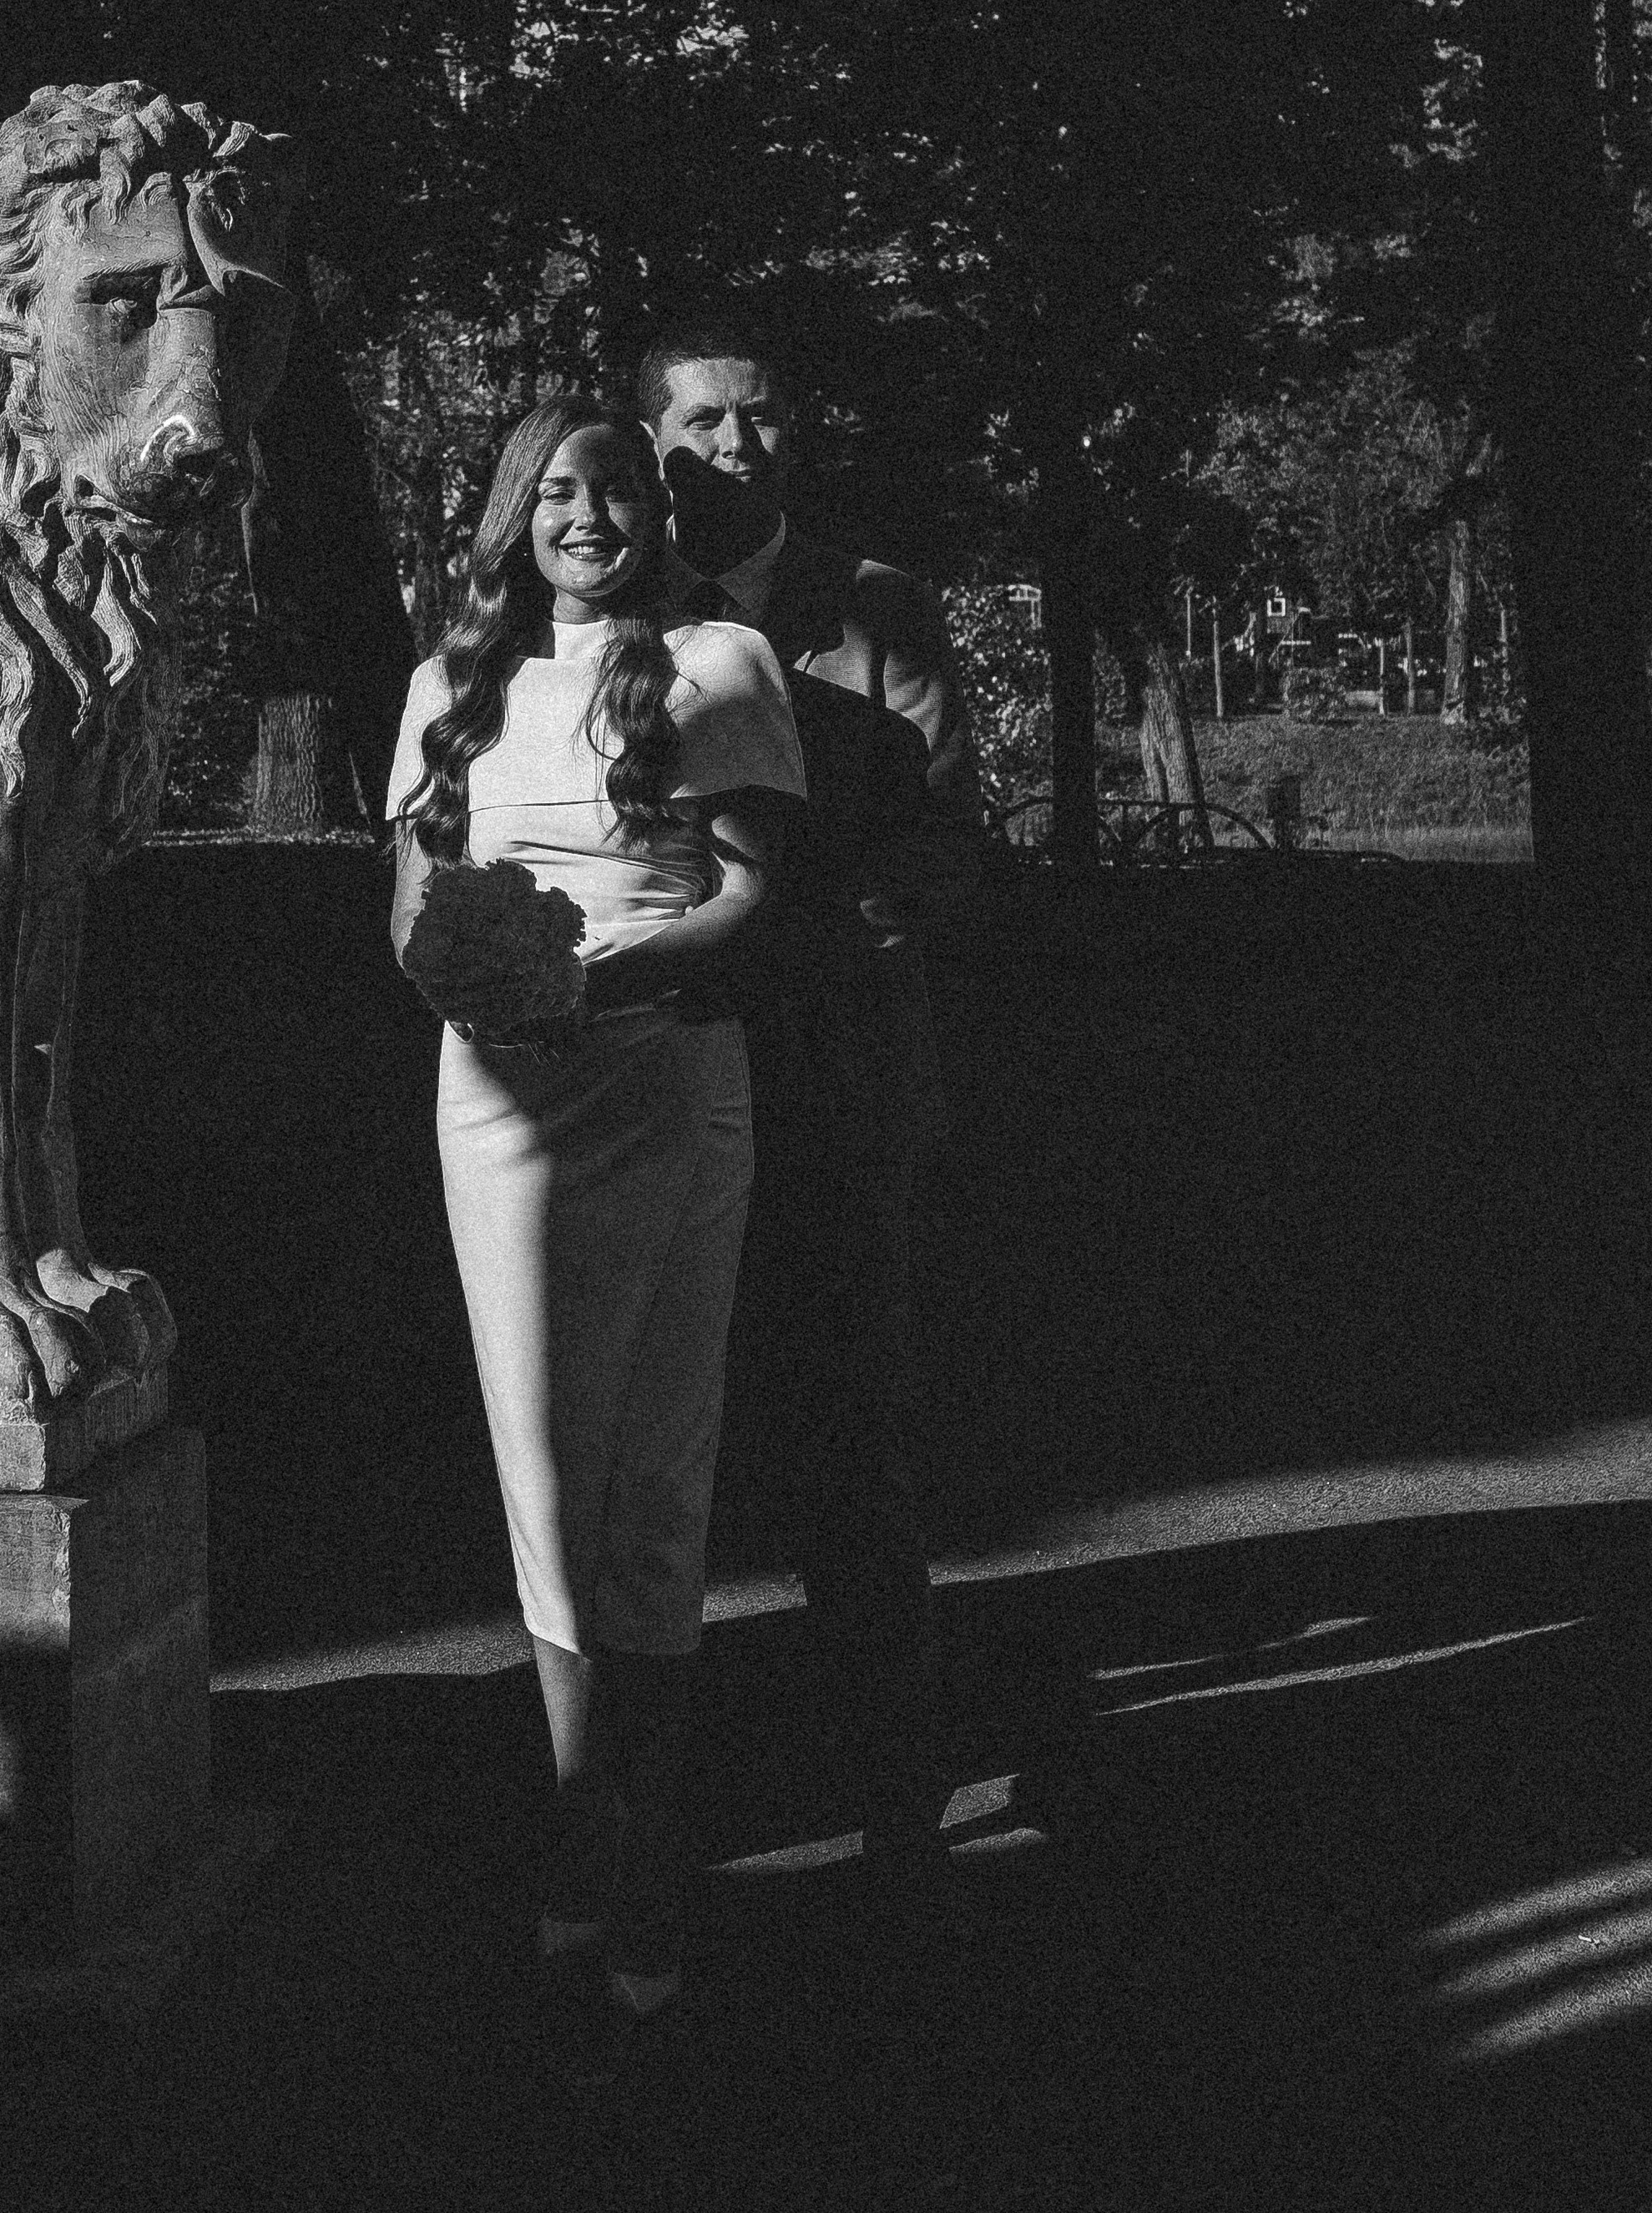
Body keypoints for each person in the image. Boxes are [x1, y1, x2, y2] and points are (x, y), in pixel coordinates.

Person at [387, 394, 805, 2029]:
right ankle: (589, 1820)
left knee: (659, 1464)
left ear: (654, 510)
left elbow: (752, 896)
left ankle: (646, 1833)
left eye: (614, 488)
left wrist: (596, 975)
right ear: (515, 514)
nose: (584, 515)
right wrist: (479, 975)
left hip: (667, 1084)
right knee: (546, 1466)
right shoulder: (451, 685)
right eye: (554, 490)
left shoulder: (718, 665)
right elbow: (412, 909)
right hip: (502, 1108)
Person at [635, 311, 985, 1920]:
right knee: (652, 1440)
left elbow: (940, 838)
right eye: (703, 421)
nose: (736, 446)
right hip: (643, 1081)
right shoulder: (598, 595)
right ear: (652, 442)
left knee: (851, 1435)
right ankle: (660, 1779)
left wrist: (853, 910)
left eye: (762, 417)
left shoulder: (876, 608)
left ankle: (896, 1776)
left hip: (831, 1077)